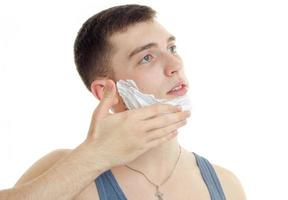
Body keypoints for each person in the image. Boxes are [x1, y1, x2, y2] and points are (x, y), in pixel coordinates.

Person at [0, 4, 246, 200]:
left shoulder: (226, 185)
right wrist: (94, 157)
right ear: (109, 91)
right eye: (147, 57)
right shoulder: (64, 173)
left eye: (172, 48)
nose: (175, 65)